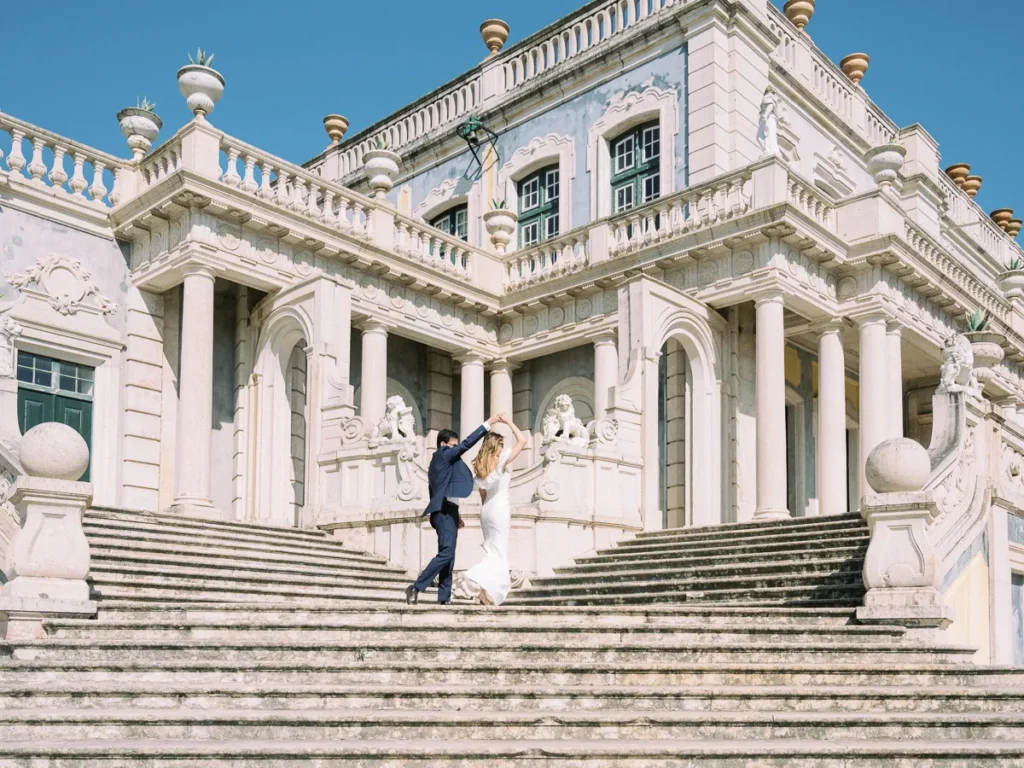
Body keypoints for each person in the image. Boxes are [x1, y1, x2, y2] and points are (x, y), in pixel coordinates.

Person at [406, 413, 505, 605]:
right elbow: (466, 444)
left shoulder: (443, 463)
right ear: (444, 445)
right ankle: (416, 586)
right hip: (443, 512)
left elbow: (442, 488)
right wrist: (488, 424)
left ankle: (444, 598)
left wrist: (456, 513)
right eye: (453, 445)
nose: (456, 449)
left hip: (447, 510)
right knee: (446, 554)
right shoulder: (442, 455)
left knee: (449, 556)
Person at [453, 413, 527, 606]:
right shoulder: (501, 460)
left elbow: (483, 495)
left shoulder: (481, 465)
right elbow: (523, 440)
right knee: (499, 553)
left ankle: (485, 594)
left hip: (487, 511)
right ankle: (473, 577)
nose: (504, 447)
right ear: (497, 446)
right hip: (500, 509)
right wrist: (509, 422)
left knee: (491, 551)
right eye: (501, 444)